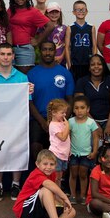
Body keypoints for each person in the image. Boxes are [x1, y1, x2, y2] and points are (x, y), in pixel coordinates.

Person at [0, 43, 32, 201]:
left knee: (16, 152)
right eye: (2, 54)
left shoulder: (22, 78)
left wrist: (28, 91)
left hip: (16, 123)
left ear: (13, 56)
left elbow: (26, 101)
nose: (5, 57)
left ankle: (15, 184)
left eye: (8, 54)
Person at [27, 41, 75, 174]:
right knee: (35, 147)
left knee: (58, 152)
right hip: (38, 118)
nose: (47, 53)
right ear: (40, 52)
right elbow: (29, 102)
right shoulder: (32, 74)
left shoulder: (64, 73)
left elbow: (70, 99)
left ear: (55, 52)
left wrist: (62, 120)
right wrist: (43, 122)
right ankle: (40, 180)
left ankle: (58, 181)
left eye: (50, 50)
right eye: (44, 50)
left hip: (59, 119)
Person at [12, 149, 76, 218]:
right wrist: (65, 198)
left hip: (39, 211)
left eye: (52, 164)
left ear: (55, 165)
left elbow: (54, 194)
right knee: (46, 189)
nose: (48, 167)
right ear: (37, 164)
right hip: (25, 211)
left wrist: (63, 204)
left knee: (71, 211)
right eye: (45, 164)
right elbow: (49, 185)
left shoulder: (52, 174)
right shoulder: (36, 174)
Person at [74, 55, 110, 158]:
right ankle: (97, 174)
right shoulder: (82, 82)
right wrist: (95, 125)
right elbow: (80, 107)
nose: (96, 67)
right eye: (93, 64)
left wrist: (108, 126)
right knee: (98, 149)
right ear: (89, 67)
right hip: (90, 121)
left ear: (103, 66)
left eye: (99, 64)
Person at [8, 0, 51, 72]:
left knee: (24, 80)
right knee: (12, 79)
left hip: (25, 50)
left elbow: (50, 26)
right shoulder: (10, 10)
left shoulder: (33, 11)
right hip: (10, 49)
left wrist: (38, 40)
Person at [68, 96, 99, 205]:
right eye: (76, 108)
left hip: (86, 154)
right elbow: (68, 137)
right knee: (73, 173)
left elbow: (95, 137)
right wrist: (68, 151)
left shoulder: (91, 122)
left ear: (88, 109)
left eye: (82, 108)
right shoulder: (70, 122)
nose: (79, 110)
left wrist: (95, 151)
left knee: (83, 174)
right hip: (73, 153)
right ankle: (72, 195)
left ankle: (82, 195)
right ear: (73, 109)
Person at [65, 0, 94, 81]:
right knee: (76, 85)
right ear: (74, 12)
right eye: (78, 9)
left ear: (87, 11)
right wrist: (69, 63)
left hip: (88, 62)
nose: (81, 11)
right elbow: (67, 47)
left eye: (83, 9)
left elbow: (94, 46)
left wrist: (94, 62)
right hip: (75, 62)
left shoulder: (91, 27)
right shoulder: (70, 27)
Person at [46, 99, 71, 192]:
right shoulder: (53, 125)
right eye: (62, 113)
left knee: (59, 178)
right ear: (54, 113)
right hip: (56, 154)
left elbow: (67, 139)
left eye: (65, 112)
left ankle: (57, 195)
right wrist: (68, 126)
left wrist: (69, 151)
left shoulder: (61, 123)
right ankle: (54, 195)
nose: (65, 115)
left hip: (63, 154)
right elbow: (63, 137)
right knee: (55, 178)